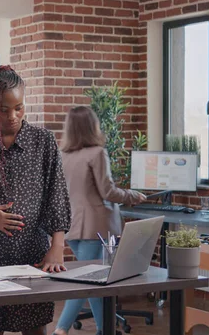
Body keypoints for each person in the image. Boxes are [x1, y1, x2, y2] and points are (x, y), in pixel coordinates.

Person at [0, 65, 72, 335]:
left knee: (35, 328)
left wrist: (57, 245)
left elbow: (57, 194)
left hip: (34, 252)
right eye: (4, 109)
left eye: (18, 107)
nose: (12, 116)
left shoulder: (43, 141)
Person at [54, 106, 147, 335]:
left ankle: (105, 330)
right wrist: (133, 196)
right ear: (92, 126)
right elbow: (107, 192)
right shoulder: (97, 153)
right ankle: (60, 329)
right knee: (87, 282)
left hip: (72, 228)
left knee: (94, 282)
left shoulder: (63, 155)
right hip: (96, 227)